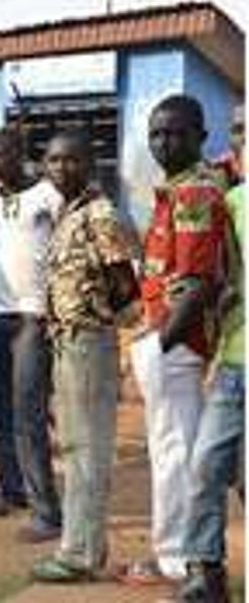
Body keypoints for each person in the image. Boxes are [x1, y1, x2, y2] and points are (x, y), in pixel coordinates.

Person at [124, 94, 228, 585]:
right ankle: (182, 553)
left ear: (201, 136)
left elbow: (201, 280)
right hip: (169, 337)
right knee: (176, 450)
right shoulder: (180, 188)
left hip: (176, 341)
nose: (164, 142)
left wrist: (160, 342)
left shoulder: (195, 195)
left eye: (176, 133)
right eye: (157, 134)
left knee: (175, 453)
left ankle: (177, 556)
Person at [29, 132, 139, 583]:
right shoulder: (66, 214)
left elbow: (125, 284)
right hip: (67, 342)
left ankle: (80, 555)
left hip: (88, 341)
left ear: (89, 163)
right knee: (75, 448)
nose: (60, 169)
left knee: (87, 450)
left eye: (70, 160)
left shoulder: (99, 214)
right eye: (53, 161)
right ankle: (85, 545)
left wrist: (100, 326)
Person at [0, 127, 63, 542]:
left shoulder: (47, 194)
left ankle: (47, 511)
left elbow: (66, 244)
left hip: (33, 316)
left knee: (28, 413)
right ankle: (12, 491)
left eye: (1, 155)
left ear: (20, 154)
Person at [176, 179, 243, 601]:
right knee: (205, 464)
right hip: (235, 360)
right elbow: (209, 269)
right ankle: (206, 569)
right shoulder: (232, 202)